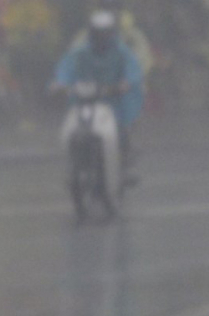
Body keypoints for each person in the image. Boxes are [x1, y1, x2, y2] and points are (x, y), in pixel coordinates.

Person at [52, 10, 146, 185]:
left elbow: (133, 69)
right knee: (74, 130)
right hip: (85, 100)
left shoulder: (121, 52)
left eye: (105, 33)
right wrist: (60, 83)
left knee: (120, 129)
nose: (102, 37)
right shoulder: (81, 52)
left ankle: (125, 165)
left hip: (114, 101)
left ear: (112, 33)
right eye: (98, 33)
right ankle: (74, 166)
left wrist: (126, 82)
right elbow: (66, 67)